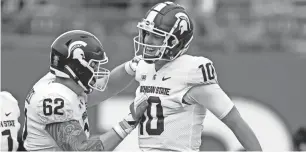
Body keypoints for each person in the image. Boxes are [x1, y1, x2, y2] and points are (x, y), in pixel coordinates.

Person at [130, 1, 262, 151]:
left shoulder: (191, 71)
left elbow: (235, 121)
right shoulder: (143, 67)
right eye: (147, 33)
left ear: (175, 41)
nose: (147, 40)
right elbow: (108, 84)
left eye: (156, 36)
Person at [22, 30, 148, 151]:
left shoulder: (66, 83)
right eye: (94, 65)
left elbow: (108, 87)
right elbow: (82, 150)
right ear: (76, 66)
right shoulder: (54, 99)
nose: (97, 69)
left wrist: (132, 67)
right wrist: (130, 121)